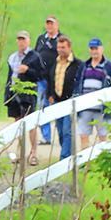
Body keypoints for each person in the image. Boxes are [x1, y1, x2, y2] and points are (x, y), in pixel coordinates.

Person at [5, 31, 43, 166]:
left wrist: (27, 70)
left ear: (28, 41)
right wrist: (7, 94)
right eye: (19, 39)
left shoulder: (34, 57)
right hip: (14, 93)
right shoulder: (12, 58)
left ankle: (33, 153)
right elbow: (10, 77)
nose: (21, 42)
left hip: (28, 94)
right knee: (17, 123)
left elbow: (39, 75)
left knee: (31, 124)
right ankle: (20, 152)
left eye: (23, 39)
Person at [76, 38, 111, 150]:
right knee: (83, 136)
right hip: (85, 107)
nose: (94, 51)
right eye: (92, 48)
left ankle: (101, 161)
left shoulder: (108, 66)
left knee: (103, 137)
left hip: (102, 109)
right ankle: (85, 164)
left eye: (96, 48)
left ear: (102, 49)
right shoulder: (84, 66)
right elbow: (78, 83)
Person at [46, 34, 81, 160]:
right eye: (59, 47)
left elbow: (79, 82)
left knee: (67, 130)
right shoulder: (54, 63)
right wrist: (49, 95)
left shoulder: (77, 64)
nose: (60, 50)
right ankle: (67, 153)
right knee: (60, 130)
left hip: (69, 101)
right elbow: (50, 79)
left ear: (69, 47)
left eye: (63, 47)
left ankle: (65, 157)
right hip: (57, 101)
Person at [33, 16, 62, 145]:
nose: (49, 26)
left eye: (52, 24)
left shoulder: (61, 39)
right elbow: (35, 55)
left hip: (56, 79)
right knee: (42, 106)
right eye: (48, 24)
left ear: (57, 25)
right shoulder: (41, 39)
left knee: (57, 106)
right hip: (41, 78)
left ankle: (62, 133)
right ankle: (46, 136)